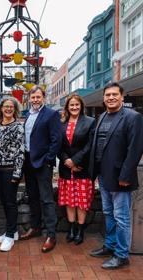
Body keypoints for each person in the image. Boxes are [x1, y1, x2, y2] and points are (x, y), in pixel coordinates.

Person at [89, 82, 143, 269]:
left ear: (122, 96)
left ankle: (121, 255)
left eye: (114, 94)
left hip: (120, 177)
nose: (111, 98)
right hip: (103, 176)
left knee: (121, 217)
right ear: (103, 98)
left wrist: (126, 175)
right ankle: (110, 246)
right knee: (108, 213)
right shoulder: (102, 116)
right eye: (107, 95)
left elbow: (135, 149)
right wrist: (95, 173)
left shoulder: (133, 117)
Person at [20, 85, 62, 253]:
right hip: (28, 162)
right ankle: (35, 227)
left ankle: (51, 235)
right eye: (33, 97)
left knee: (46, 199)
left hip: (42, 163)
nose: (35, 100)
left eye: (38, 97)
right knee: (33, 197)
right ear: (29, 99)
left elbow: (56, 139)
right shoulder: (27, 114)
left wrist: (48, 160)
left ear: (43, 98)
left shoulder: (51, 115)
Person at [58, 94, 95, 245]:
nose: (74, 107)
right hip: (66, 168)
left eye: (76, 105)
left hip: (81, 168)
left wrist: (75, 160)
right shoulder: (61, 123)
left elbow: (90, 145)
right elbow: (57, 144)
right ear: (67, 107)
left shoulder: (90, 122)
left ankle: (80, 230)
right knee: (69, 201)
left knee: (81, 201)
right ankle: (71, 228)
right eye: (71, 105)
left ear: (81, 106)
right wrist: (66, 160)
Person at [0, 96, 24, 252]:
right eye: (6, 106)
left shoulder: (18, 126)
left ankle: (10, 237)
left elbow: (20, 152)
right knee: (4, 201)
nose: (8, 109)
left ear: (15, 109)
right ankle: (13, 231)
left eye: (11, 106)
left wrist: (17, 173)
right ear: (1, 108)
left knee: (10, 203)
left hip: (11, 170)